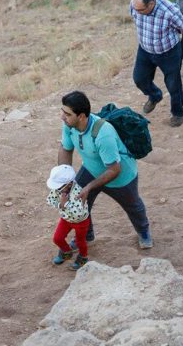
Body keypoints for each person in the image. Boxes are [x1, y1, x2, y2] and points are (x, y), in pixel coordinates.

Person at [58, 91, 153, 249]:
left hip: (121, 177)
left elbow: (115, 169)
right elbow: (66, 149)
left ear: (81, 116)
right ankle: (86, 235)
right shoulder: (69, 125)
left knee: (133, 206)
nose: (62, 116)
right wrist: (65, 182)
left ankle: (143, 232)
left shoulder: (103, 134)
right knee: (78, 200)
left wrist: (88, 187)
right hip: (91, 169)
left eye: (67, 113)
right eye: (62, 111)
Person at [130, 0, 183, 127]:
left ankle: (178, 112)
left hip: (169, 53)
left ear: (151, 4)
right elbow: (135, 14)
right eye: (135, 9)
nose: (137, 13)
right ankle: (155, 95)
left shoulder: (169, 12)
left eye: (140, 10)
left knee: (173, 84)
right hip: (145, 50)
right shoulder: (135, 5)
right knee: (139, 79)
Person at [46, 164, 90, 271]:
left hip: (81, 222)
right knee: (57, 238)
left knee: (80, 242)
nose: (56, 189)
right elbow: (50, 200)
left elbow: (78, 212)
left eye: (59, 187)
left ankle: (83, 257)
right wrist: (61, 204)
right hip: (65, 219)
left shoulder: (80, 192)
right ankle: (66, 251)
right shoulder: (58, 189)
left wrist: (64, 204)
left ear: (69, 184)